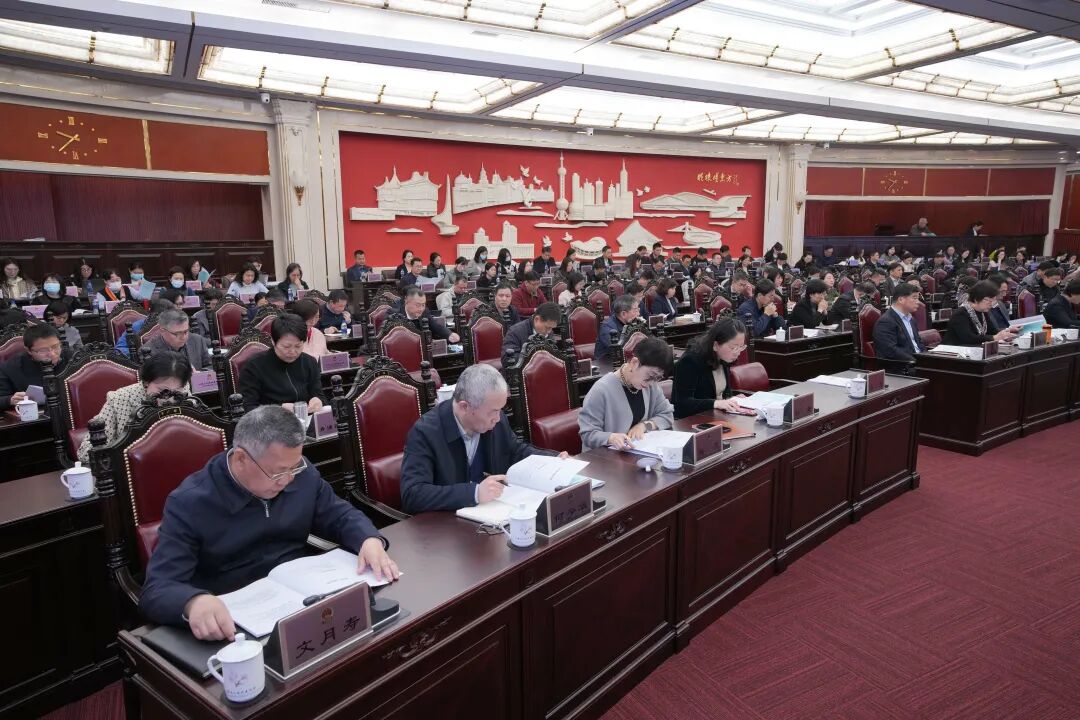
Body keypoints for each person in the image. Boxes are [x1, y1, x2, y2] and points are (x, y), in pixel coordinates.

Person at [140, 405, 396, 637]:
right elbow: (158, 588)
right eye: (278, 472)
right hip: (235, 621)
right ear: (241, 459)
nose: (288, 479)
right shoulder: (190, 503)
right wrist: (193, 602)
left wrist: (368, 539)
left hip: (302, 604)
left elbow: (339, 514)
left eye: (294, 467)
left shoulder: (300, 472)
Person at [399, 364, 564, 514]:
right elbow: (413, 495)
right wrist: (475, 493)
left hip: (492, 515)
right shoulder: (425, 432)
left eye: (500, 410)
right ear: (465, 406)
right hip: (446, 525)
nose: (498, 418)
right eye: (493, 411)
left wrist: (554, 459)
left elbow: (515, 450)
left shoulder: (496, 419)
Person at [76, 353, 192, 464]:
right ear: (146, 382)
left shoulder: (184, 391)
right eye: (162, 390)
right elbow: (86, 452)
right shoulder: (120, 398)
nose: (168, 399)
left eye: (176, 391)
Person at [578, 337, 674, 451]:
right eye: (650, 376)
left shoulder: (651, 386)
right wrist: (610, 437)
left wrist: (645, 425)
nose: (651, 383)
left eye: (657, 378)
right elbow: (587, 434)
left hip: (637, 452)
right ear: (634, 363)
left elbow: (667, 414)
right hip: (604, 457)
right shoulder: (601, 390)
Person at [238, 314, 326, 413]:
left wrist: (318, 400)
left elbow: (319, 394)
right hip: (270, 420)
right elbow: (248, 407)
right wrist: (279, 409)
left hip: (306, 418)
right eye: (286, 347)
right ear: (273, 341)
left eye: (298, 346)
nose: (293, 352)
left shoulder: (309, 362)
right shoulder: (254, 366)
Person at [671, 318, 749, 419]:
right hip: (692, 421)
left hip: (717, 417)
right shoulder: (690, 361)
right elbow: (681, 404)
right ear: (715, 345)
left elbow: (721, 393)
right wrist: (715, 403)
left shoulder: (724, 357)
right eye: (733, 347)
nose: (737, 352)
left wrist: (732, 399)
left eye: (741, 347)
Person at [0, 324, 71, 410]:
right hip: (37, 415)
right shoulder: (10, 368)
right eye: (43, 350)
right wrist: (9, 400)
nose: (52, 354)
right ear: (29, 350)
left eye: (55, 347)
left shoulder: (73, 357)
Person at [943, 280, 1019, 346]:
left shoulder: (982, 311)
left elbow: (993, 331)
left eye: (993, 301)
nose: (991, 304)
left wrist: (1007, 332)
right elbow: (968, 338)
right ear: (976, 299)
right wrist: (994, 338)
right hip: (955, 352)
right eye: (988, 301)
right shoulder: (960, 314)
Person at [872, 284, 925, 371]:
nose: (918, 302)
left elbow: (919, 343)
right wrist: (917, 361)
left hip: (917, 362)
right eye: (914, 298)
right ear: (901, 299)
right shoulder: (886, 322)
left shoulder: (911, 319)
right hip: (901, 367)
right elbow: (891, 351)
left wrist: (926, 358)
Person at [142, 309, 212, 371]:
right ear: (162, 330)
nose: (183, 337)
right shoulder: (149, 351)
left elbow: (210, 366)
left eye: (186, 331)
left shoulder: (198, 340)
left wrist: (199, 374)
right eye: (177, 333)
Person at [389, 287, 460, 343]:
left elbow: (435, 325)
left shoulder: (425, 311)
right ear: (406, 301)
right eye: (417, 305)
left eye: (423, 305)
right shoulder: (393, 314)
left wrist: (449, 334)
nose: (421, 309)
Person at [594, 293, 641, 363]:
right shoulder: (608, 328)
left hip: (626, 360)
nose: (638, 314)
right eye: (635, 310)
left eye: (638, 310)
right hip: (607, 363)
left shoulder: (631, 322)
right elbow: (619, 351)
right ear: (623, 314)